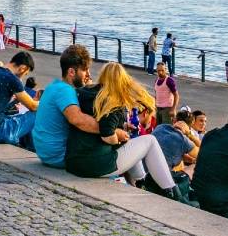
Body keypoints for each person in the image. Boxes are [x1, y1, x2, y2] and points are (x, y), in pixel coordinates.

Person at [63, 63, 185, 201]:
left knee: (131, 144)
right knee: (150, 141)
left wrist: (123, 127)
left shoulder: (85, 93)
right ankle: (172, 192)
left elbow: (101, 120)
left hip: (74, 162)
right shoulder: (113, 101)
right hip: (95, 165)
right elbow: (107, 136)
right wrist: (119, 135)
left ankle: (142, 183)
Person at [32, 44, 103, 168]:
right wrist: (110, 130)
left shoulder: (53, 86)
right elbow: (78, 120)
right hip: (60, 155)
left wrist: (86, 87)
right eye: (85, 70)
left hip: (46, 153)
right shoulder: (65, 91)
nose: (88, 74)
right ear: (71, 72)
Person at [151, 109, 201, 200]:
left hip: (148, 174)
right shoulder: (183, 140)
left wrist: (190, 159)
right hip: (162, 180)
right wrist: (190, 134)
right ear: (189, 127)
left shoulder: (160, 127)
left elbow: (171, 151)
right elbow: (203, 153)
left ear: (174, 120)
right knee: (196, 165)